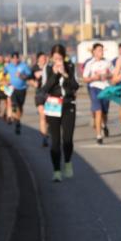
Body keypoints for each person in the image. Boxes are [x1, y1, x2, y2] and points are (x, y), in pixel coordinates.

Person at [42, 44, 79, 182]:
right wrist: (55, 74)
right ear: (51, 57)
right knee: (55, 141)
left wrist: (65, 74)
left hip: (68, 104)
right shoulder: (47, 68)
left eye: (60, 58)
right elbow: (45, 88)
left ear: (64, 57)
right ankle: (56, 170)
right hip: (53, 105)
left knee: (67, 139)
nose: (57, 61)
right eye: (55, 58)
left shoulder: (70, 66)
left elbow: (75, 86)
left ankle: (68, 162)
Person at [83, 43, 114, 145]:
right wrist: (93, 78)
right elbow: (85, 78)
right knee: (98, 111)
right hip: (94, 88)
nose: (101, 52)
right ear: (94, 52)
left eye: (102, 50)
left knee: (104, 112)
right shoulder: (89, 63)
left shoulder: (108, 62)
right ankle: (98, 135)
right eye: (99, 50)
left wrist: (107, 76)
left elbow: (114, 74)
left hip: (106, 89)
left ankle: (104, 125)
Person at [4, 51, 32, 136]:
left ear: (18, 58)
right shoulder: (8, 66)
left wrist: (22, 75)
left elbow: (29, 75)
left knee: (20, 107)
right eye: (14, 58)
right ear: (11, 59)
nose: (15, 60)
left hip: (22, 89)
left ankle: (18, 121)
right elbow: (4, 74)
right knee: (14, 105)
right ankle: (15, 120)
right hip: (13, 89)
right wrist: (6, 81)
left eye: (17, 58)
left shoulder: (24, 66)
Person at [31, 51, 50, 147]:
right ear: (38, 59)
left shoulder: (50, 67)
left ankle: (48, 130)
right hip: (39, 94)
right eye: (42, 58)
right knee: (42, 115)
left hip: (49, 94)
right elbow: (29, 78)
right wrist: (33, 83)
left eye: (45, 58)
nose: (43, 60)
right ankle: (44, 136)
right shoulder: (34, 68)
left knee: (49, 117)